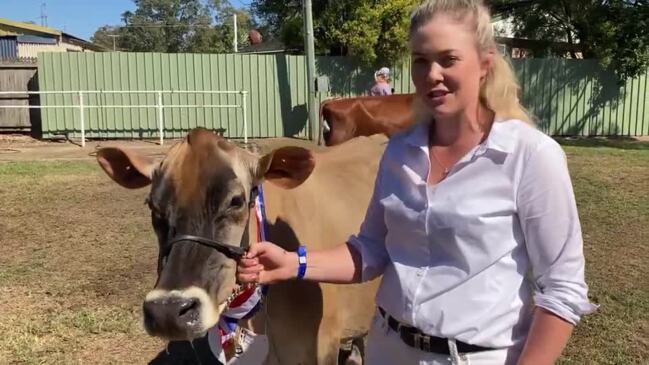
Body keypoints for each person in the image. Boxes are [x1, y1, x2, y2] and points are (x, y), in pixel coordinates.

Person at [238, 1, 596, 364]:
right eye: (421, 60)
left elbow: (562, 290)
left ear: (485, 64)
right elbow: (371, 250)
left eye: (448, 59)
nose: (432, 74)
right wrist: (292, 262)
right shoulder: (398, 152)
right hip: (388, 349)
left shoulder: (530, 156)